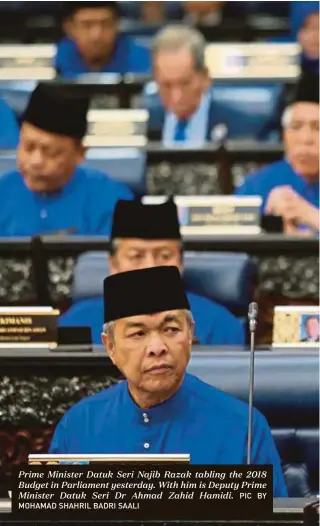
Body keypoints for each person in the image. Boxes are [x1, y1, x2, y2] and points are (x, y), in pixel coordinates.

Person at [51, 265, 287, 497]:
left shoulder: (244, 428)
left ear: (190, 334)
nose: (157, 348)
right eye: (138, 334)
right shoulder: (78, 426)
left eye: (171, 329)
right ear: (110, 346)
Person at [59, 198, 245, 346]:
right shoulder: (76, 322)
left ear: (180, 264)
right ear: (113, 264)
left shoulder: (220, 325)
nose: (150, 267)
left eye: (164, 256)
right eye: (136, 256)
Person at [0, 83, 133, 237]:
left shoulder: (110, 200)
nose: (36, 161)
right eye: (28, 147)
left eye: (52, 152)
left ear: (80, 153)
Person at [146, 25, 279, 144]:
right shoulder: (144, 125)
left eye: (185, 83)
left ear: (205, 77)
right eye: (166, 85)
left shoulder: (245, 129)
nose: (176, 97)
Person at [235, 73, 319, 236]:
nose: (306, 138)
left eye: (318, 127)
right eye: (296, 126)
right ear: (284, 135)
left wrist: (311, 216)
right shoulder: (256, 186)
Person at [55, 2, 151, 77]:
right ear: (69, 28)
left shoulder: (144, 61)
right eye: (86, 25)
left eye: (105, 24)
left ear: (117, 25)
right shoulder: (53, 61)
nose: (96, 36)